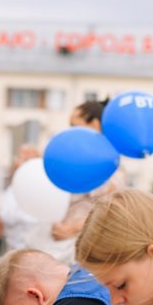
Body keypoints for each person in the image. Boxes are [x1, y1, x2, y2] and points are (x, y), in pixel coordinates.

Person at [45, 99, 122, 265]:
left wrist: (72, 229)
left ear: (94, 124)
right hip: (62, 244)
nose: (70, 131)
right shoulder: (74, 160)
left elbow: (107, 208)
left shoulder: (110, 165)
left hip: (84, 247)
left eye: (74, 125)